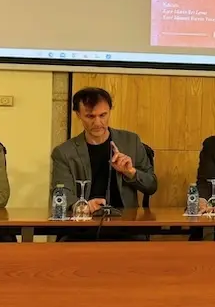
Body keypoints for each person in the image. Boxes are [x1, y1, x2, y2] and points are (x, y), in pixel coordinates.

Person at [51, 87, 158, 217]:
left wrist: (130, 172)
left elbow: (151, 186)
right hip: (82, 226)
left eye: (103, 115)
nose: (97, 123)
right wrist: (81, 206)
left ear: (109, 111)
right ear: (78, 115)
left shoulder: (131, 141)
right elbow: (62, 192)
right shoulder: (64, 152)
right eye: (90, 116)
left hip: (126, 225)